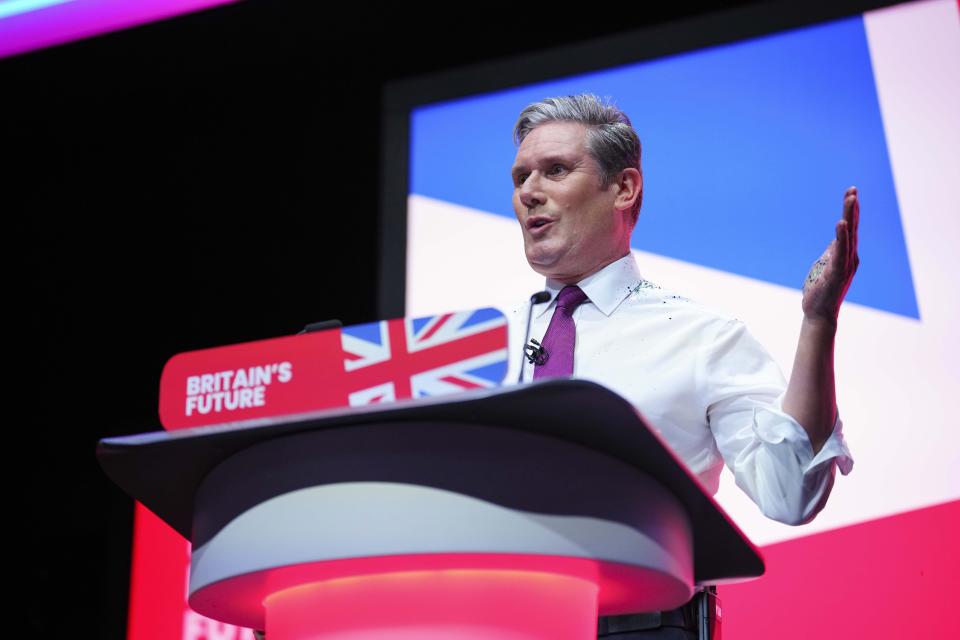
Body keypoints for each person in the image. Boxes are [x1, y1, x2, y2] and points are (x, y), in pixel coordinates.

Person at [508, 94, 857, 638]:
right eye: (521, 176)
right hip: (497, 617)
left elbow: (791, 495)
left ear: (623, 188)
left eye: (556, 170)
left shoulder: (701, 336)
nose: (530, 192)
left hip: (641, 625)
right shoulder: (485, 343)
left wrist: (819, 324)